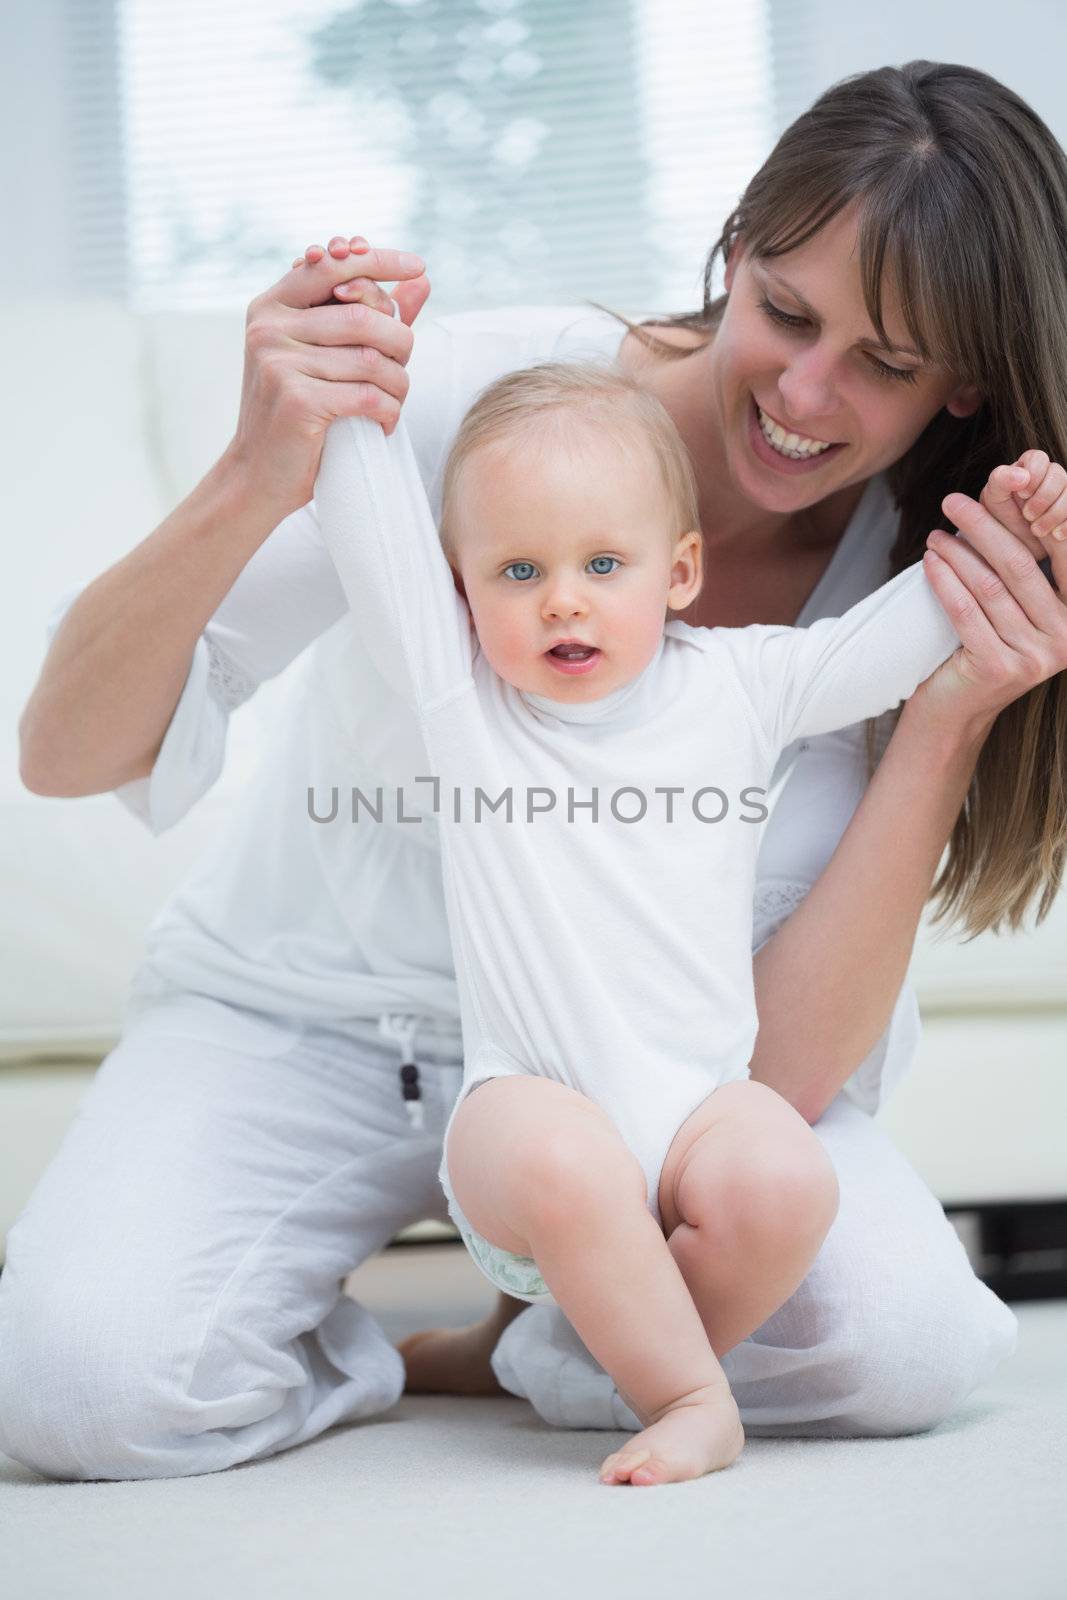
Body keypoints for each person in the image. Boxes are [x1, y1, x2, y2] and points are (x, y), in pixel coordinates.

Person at [3, 60, 1065, 1481]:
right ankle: (363, 1339)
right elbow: (67, 754)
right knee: (79, 1391)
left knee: (899, 1345)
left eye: (882, 364)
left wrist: (945, 718)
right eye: (786, 314)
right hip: (316, 1022)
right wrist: (264, 463)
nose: (804, 395)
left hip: (659, 1074)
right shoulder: (474, 404)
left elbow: (785, 1071)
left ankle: (557, 1344)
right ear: (734, 249)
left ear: (961, 387)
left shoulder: (915, 581)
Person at [312, 348, 996, 1486]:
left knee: (787, 1181)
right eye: (518, 569)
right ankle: (688, 1395)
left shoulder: (736, 683)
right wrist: (349, 396)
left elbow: (881, 647)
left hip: (696, 1118)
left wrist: (1000, 545)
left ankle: (571, 1358)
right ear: (462, 589)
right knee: (563, 1159)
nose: (562, 598)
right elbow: (369, 535)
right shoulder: (465, 700)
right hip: (520, 1118)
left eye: (601, 563)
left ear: (677, 572)